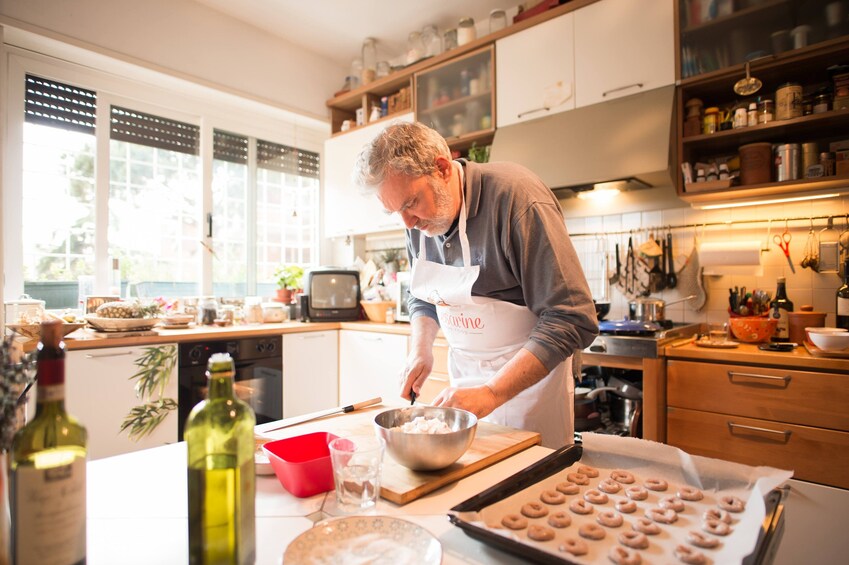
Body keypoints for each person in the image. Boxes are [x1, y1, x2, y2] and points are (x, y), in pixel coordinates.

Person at [352, 122, 598, 448]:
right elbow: (424, 297)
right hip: (464, 385)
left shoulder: (517, 199)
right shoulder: (417, 222)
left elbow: (572, 318)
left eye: (410, 203)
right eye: (394, 211)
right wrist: (420, 350)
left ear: (441, 168)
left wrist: (492, 393)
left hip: (531, 393)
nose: (406, 223)